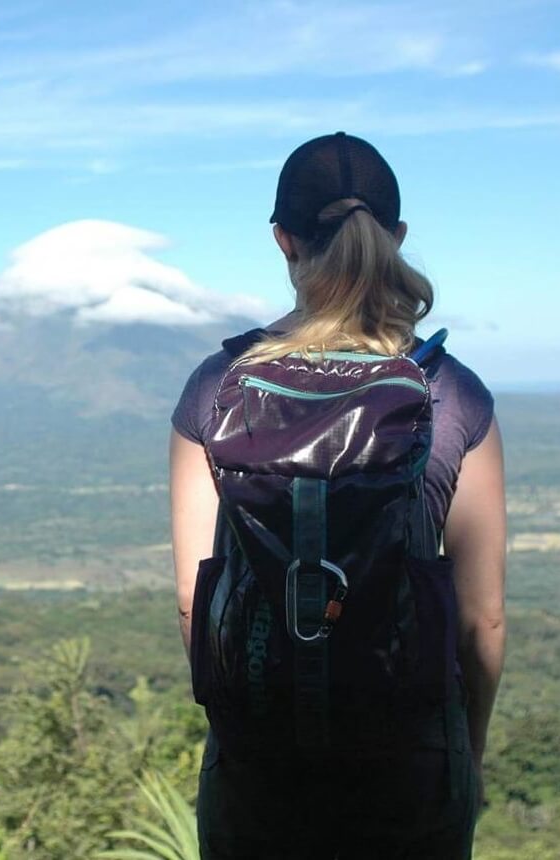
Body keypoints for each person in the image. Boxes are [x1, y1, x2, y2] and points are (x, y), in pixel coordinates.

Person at [169, 132, 506, 859]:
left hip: (257, 765)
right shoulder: (448, 391)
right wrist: (465, 752)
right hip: (409, 760)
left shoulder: (215, 386)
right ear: (397, 237)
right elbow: (483, 621)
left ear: (283, 241)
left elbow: (194, 601)